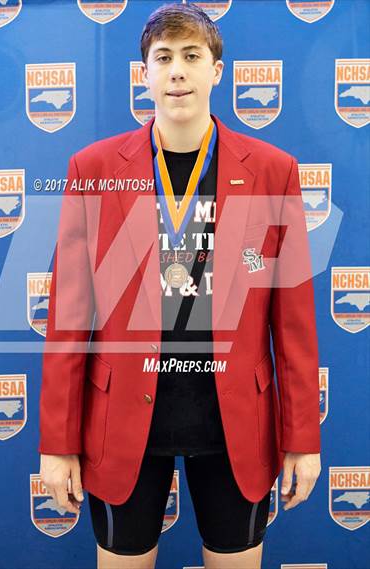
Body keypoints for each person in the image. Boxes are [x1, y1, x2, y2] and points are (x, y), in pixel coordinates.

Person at [39, 4, 321, 568]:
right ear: (143, 72)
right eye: (163, 58)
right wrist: (56, 442)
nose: (177, 71)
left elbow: (293, 322)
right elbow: (69, 316)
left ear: (218, 71)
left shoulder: (272, 171)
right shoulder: (93, 168)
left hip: (234, 420)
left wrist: (303, 438)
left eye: (192, 56)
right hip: (123, 419)